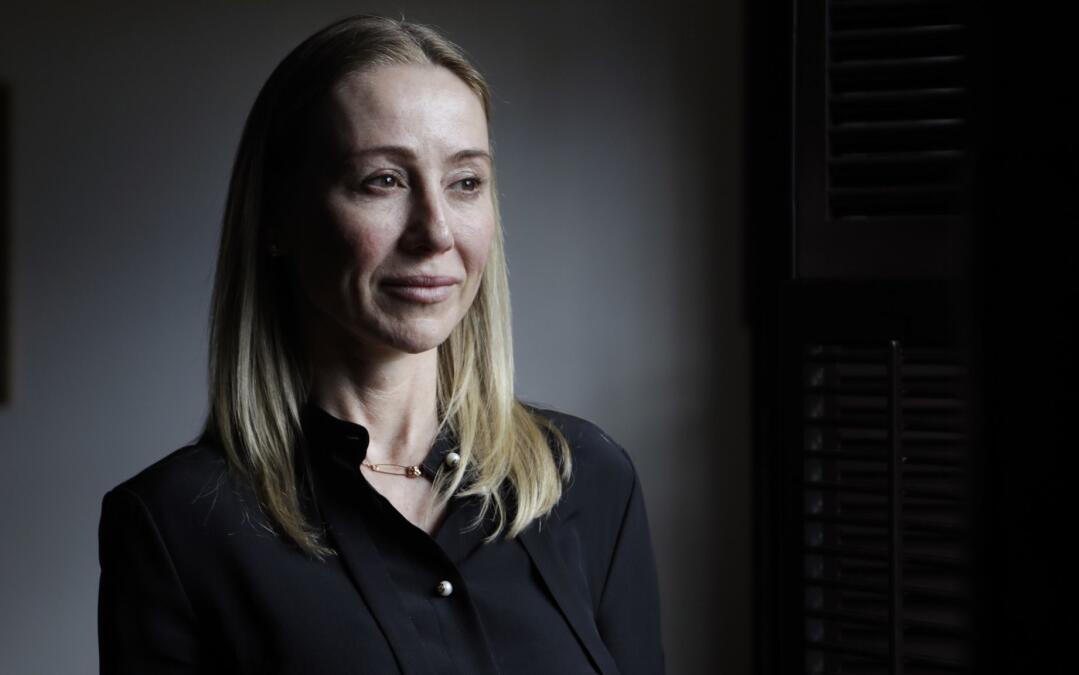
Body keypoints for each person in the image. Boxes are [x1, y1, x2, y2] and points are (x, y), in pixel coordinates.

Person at [97, 15, 664, 675]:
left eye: (465, 183)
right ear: (278, 217)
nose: (436, 233)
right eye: (382, 181)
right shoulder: (173, 526)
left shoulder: (587, 478)